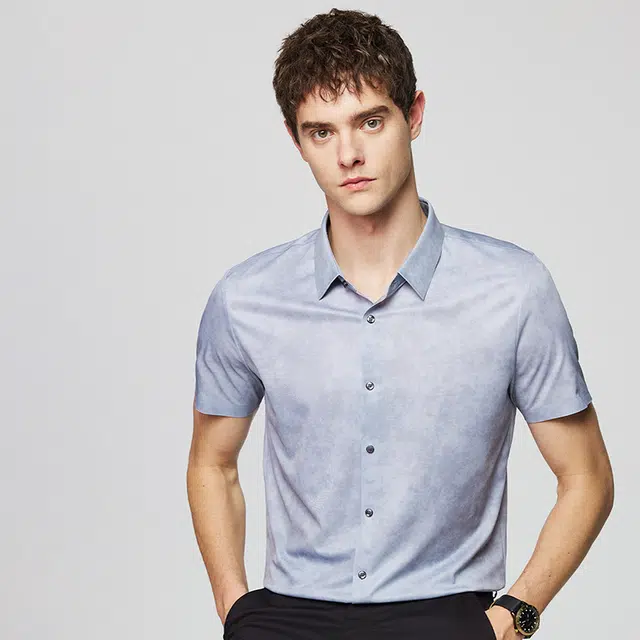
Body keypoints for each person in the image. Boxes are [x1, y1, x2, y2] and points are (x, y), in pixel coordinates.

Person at [187, 8, 614, 640]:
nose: (349, 155)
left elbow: (587, 476)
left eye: (370, 121)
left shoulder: (513, 289)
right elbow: (212, 463)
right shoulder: (246, 298)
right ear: (297, 142)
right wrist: (237, 610)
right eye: (321, 132)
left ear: (413, 116)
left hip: (446, 615)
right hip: (290, 615)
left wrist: (514, 617)